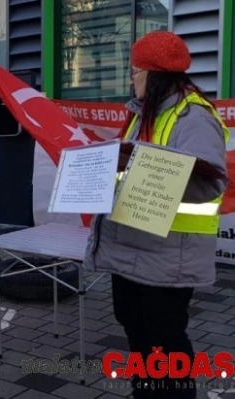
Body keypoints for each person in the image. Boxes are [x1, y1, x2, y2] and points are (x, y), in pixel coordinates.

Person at [84, 31, 228, 399]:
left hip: (168, 256)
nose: (131, 79)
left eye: (135, 71)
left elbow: (211, 180)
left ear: (155, 74)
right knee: (137, 333)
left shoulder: (194, 116)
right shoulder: (142, 112)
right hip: (131, 248)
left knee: (165, 344)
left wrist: (146, 169)